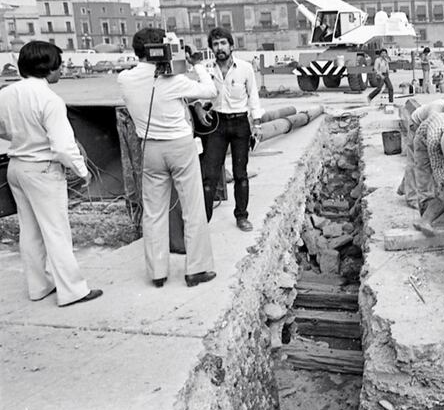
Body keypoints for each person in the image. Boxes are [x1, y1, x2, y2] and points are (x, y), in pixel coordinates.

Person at [0, 41, 102, 307]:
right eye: (58, 65)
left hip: (17, 166)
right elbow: (63, 146)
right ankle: (73, 290)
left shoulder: (6, 93)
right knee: (56, 231)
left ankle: (39, 286)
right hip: (43, 168)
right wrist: (82, 170)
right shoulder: (50, 100)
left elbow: (2, 129)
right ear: (48, 68)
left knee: (30, 230)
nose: (61, 70)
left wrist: (21, 136)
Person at [118, 28, 217, 288]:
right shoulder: (174, 80)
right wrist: (197, 65)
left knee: (153, 212)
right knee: (192, 209)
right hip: (180, 146)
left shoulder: (125, 79)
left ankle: (158, 272)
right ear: (162, 49)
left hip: (149, 147)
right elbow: (210, 91)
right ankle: (196, 269)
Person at [194, 27, 263, 231]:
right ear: (212, 48)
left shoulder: (245, 68)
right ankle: (202, 222)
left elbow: (253, 96)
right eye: (215, 44)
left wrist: (256, 123)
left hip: (240, 123)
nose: (220, 47)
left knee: (240, 173)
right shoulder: (207, 70)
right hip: (216, 124)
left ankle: (241, 216)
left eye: (223, 43)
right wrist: (199, 109)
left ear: (231, 45)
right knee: (209, 176)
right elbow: (199, 93)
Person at [398, 90, 444, 209]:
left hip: (440, 131)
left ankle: (404, 187)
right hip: (418, 127)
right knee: (419, 164)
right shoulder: (435, 114)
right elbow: (435, 160)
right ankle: (413, 198)